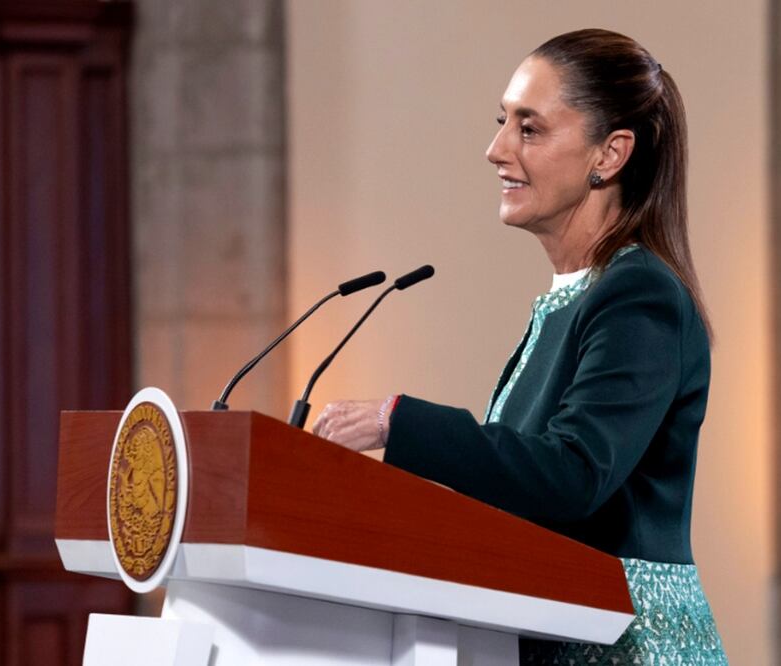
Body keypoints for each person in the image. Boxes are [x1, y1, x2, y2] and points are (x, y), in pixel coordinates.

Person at [311, 29, 728, 664]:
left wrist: (395, 420)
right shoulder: (573, 298)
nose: (496, 149)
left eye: (529, 129)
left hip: (627, 646)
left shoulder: (639, 295)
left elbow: (573, 474)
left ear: (610, 155)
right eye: (503, 121)